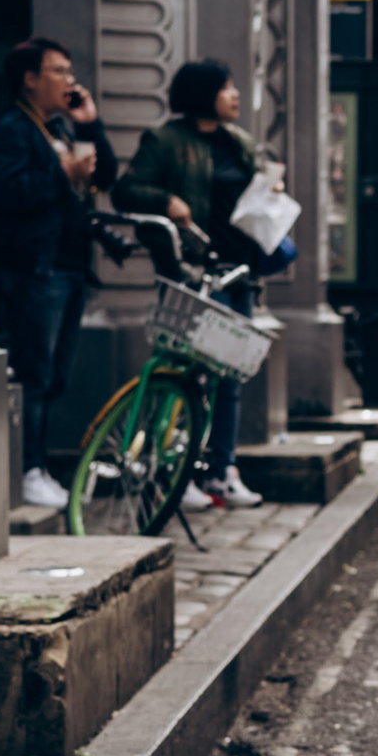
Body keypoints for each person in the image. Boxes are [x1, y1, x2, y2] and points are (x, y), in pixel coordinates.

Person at [115, 58, 272, 511]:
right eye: (227, 87)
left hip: (238, 270)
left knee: (231, 375)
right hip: (192, 273)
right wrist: (167, 201)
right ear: (204, 94)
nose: (236, 95)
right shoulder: (164, 141)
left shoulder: (240, 143)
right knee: (188, 372)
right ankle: (172, 471)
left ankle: (222, 471)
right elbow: (127, 191)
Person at [0, 36, 117, 507]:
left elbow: (105, 176)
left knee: (56, 372)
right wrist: (63, 174)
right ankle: (29, 468)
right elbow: (5, 193)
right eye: (59, 71)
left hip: (69, 264)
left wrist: (91, 123)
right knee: (35, 372)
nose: (69, 80)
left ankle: (37, 467)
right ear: (30, 78)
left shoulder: (58, 129)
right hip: (35, 268)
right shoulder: (13, 130)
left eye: (69, 70)